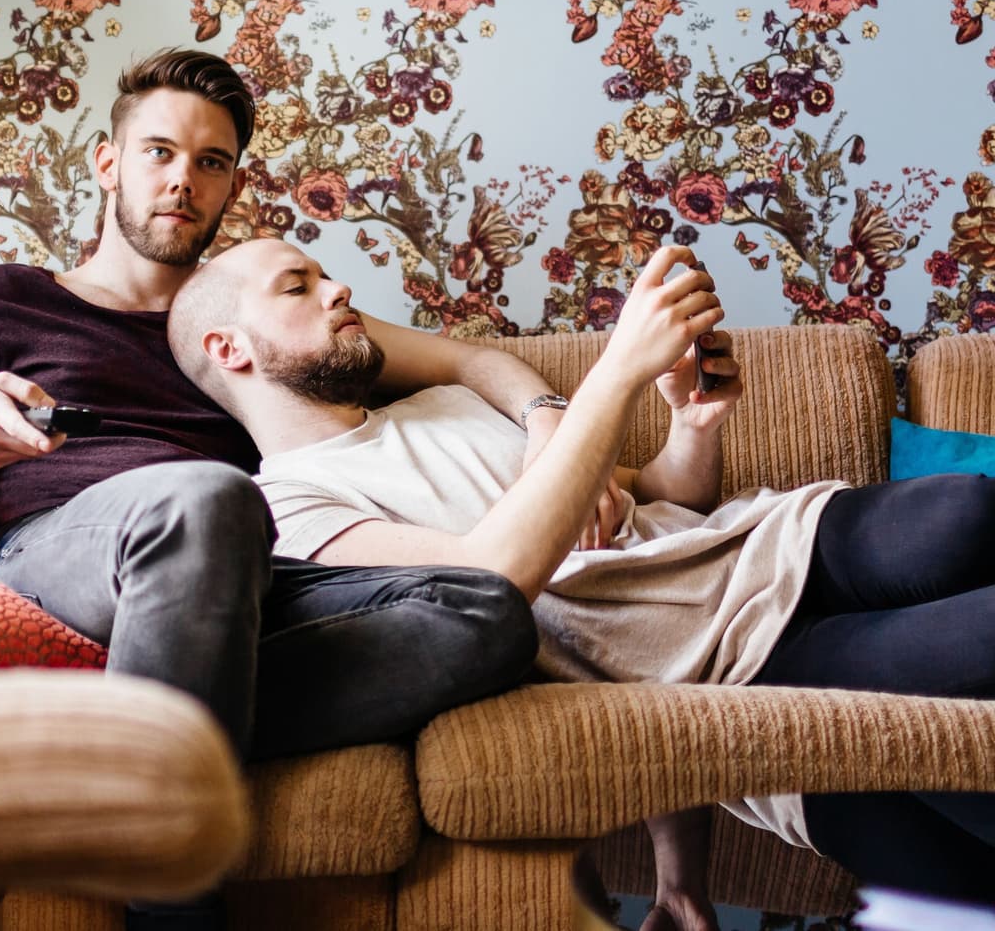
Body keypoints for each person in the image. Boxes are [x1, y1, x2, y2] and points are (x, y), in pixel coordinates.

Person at [0, 49, 561, 928]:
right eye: (160, 152)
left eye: (211, 163)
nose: (183, 181)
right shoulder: (4, 299)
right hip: (67, 555)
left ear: (232, 185)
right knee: (205, 498)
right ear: (108, 162)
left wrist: (549, 425)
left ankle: (109, 739)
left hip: (242, 582)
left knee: (488, 613)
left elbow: (471, 360)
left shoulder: (254, 315)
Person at [166, 237, 995, 919]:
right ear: (229, 348)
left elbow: (658, 499)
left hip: (768, 546)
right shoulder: (290, 513)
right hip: (730, 667)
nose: (339, 287)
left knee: (965, 509)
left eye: (324, 273)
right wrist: (614, 373)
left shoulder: (442, 404)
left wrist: (691, 425)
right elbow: (488, 581)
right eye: (298, 285)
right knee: (953, 825)